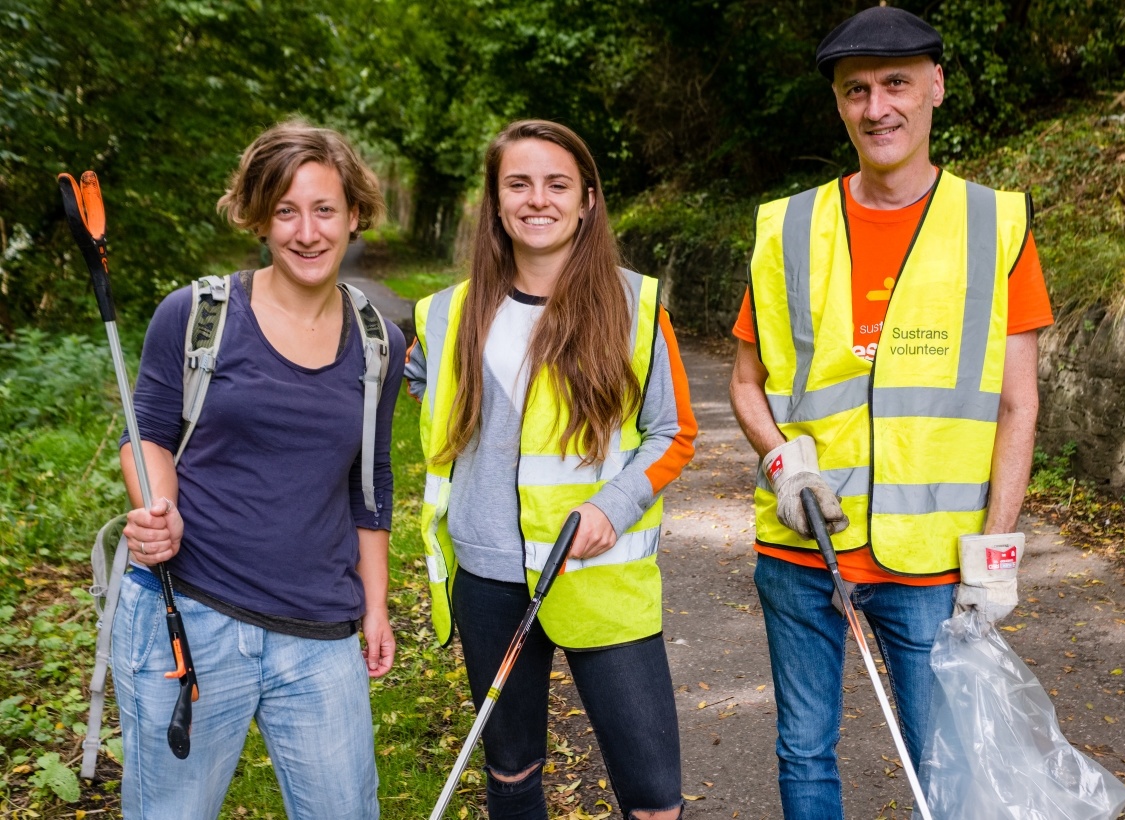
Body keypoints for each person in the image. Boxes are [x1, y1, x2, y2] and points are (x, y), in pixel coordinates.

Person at [727, 7, 1055, 817]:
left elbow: (1018, 403)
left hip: (931, 564)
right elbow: (745, 381)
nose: (878, 108)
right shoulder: (789, 228)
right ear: (839, 104)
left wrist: (997, 553)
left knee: (939, 764)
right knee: (803, 750)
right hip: (804, 550)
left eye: (897, 83)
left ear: (936, 86)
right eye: (856, 90)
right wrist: (783, 462)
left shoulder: (993, 223)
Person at [406, 119, 697, 819]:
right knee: (511, 779)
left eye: (557, 184)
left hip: (599, 576)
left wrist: (611, 505)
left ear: (588, 199)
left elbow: (674, 432)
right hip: (489, 579)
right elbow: (425, 396)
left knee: (655, 798)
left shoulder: (636, 305)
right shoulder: (445, 316)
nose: (538, 199)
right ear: (496, 202)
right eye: (519, 184)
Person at [114, 121, 405, 818]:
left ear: (354, 214)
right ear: (258, 218)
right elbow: (147, 435)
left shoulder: (378, 344)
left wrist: (375, 606)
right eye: (285, 211)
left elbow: (371, 482)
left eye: (324, 209)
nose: (307, 232)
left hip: (319, 631)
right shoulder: (194, 316)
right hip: (188, 612)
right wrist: (159, 508)